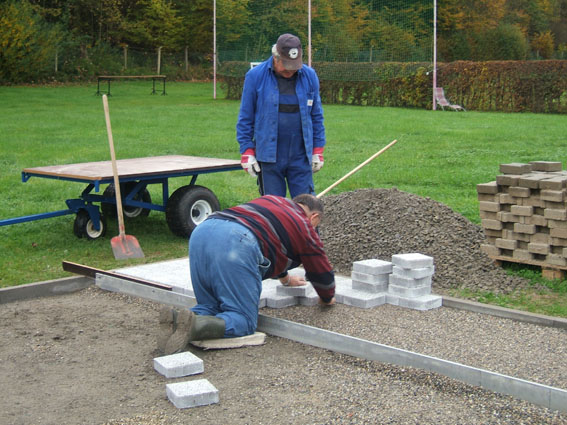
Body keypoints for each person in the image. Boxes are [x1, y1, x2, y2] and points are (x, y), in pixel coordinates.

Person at [159, 194, 335, 354]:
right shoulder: (304, 225)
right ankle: (194, 327)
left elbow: (275, 242)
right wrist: (327, 297)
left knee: (209, 306)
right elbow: (320, 269)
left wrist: (286, 279)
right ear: (314, 217)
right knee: (243, 320)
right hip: (235, 242)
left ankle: (177, 320)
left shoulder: (272, 201)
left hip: (202, 232)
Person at [237, 33, 326, 198]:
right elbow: (245, 118)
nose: (290, 71)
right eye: (286, 65)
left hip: (300, 155)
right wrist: (247, 151)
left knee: (305, 206)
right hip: (269, 156)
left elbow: (316, 115)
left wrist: (318, 149)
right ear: (275, 57)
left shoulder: (310, 76)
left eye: (294, 65)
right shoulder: (255, 76)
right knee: (273, 208)